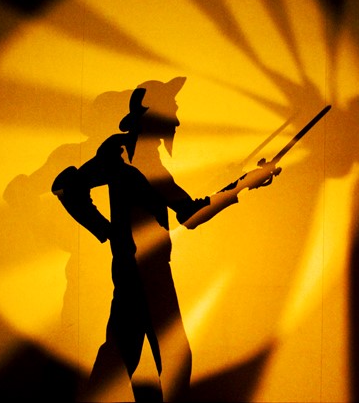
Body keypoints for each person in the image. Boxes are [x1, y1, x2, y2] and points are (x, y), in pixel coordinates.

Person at [51, 77, 279, 401]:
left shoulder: (127, 153)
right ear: (153, 115)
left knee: (123, 355)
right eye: (171, 111)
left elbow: (68, 188)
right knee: (168, 359)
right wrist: (242, 185)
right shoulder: (136, 159)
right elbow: (190, 214)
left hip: (135, 267)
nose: (177, 120)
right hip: (148, 272)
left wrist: (235, 182)